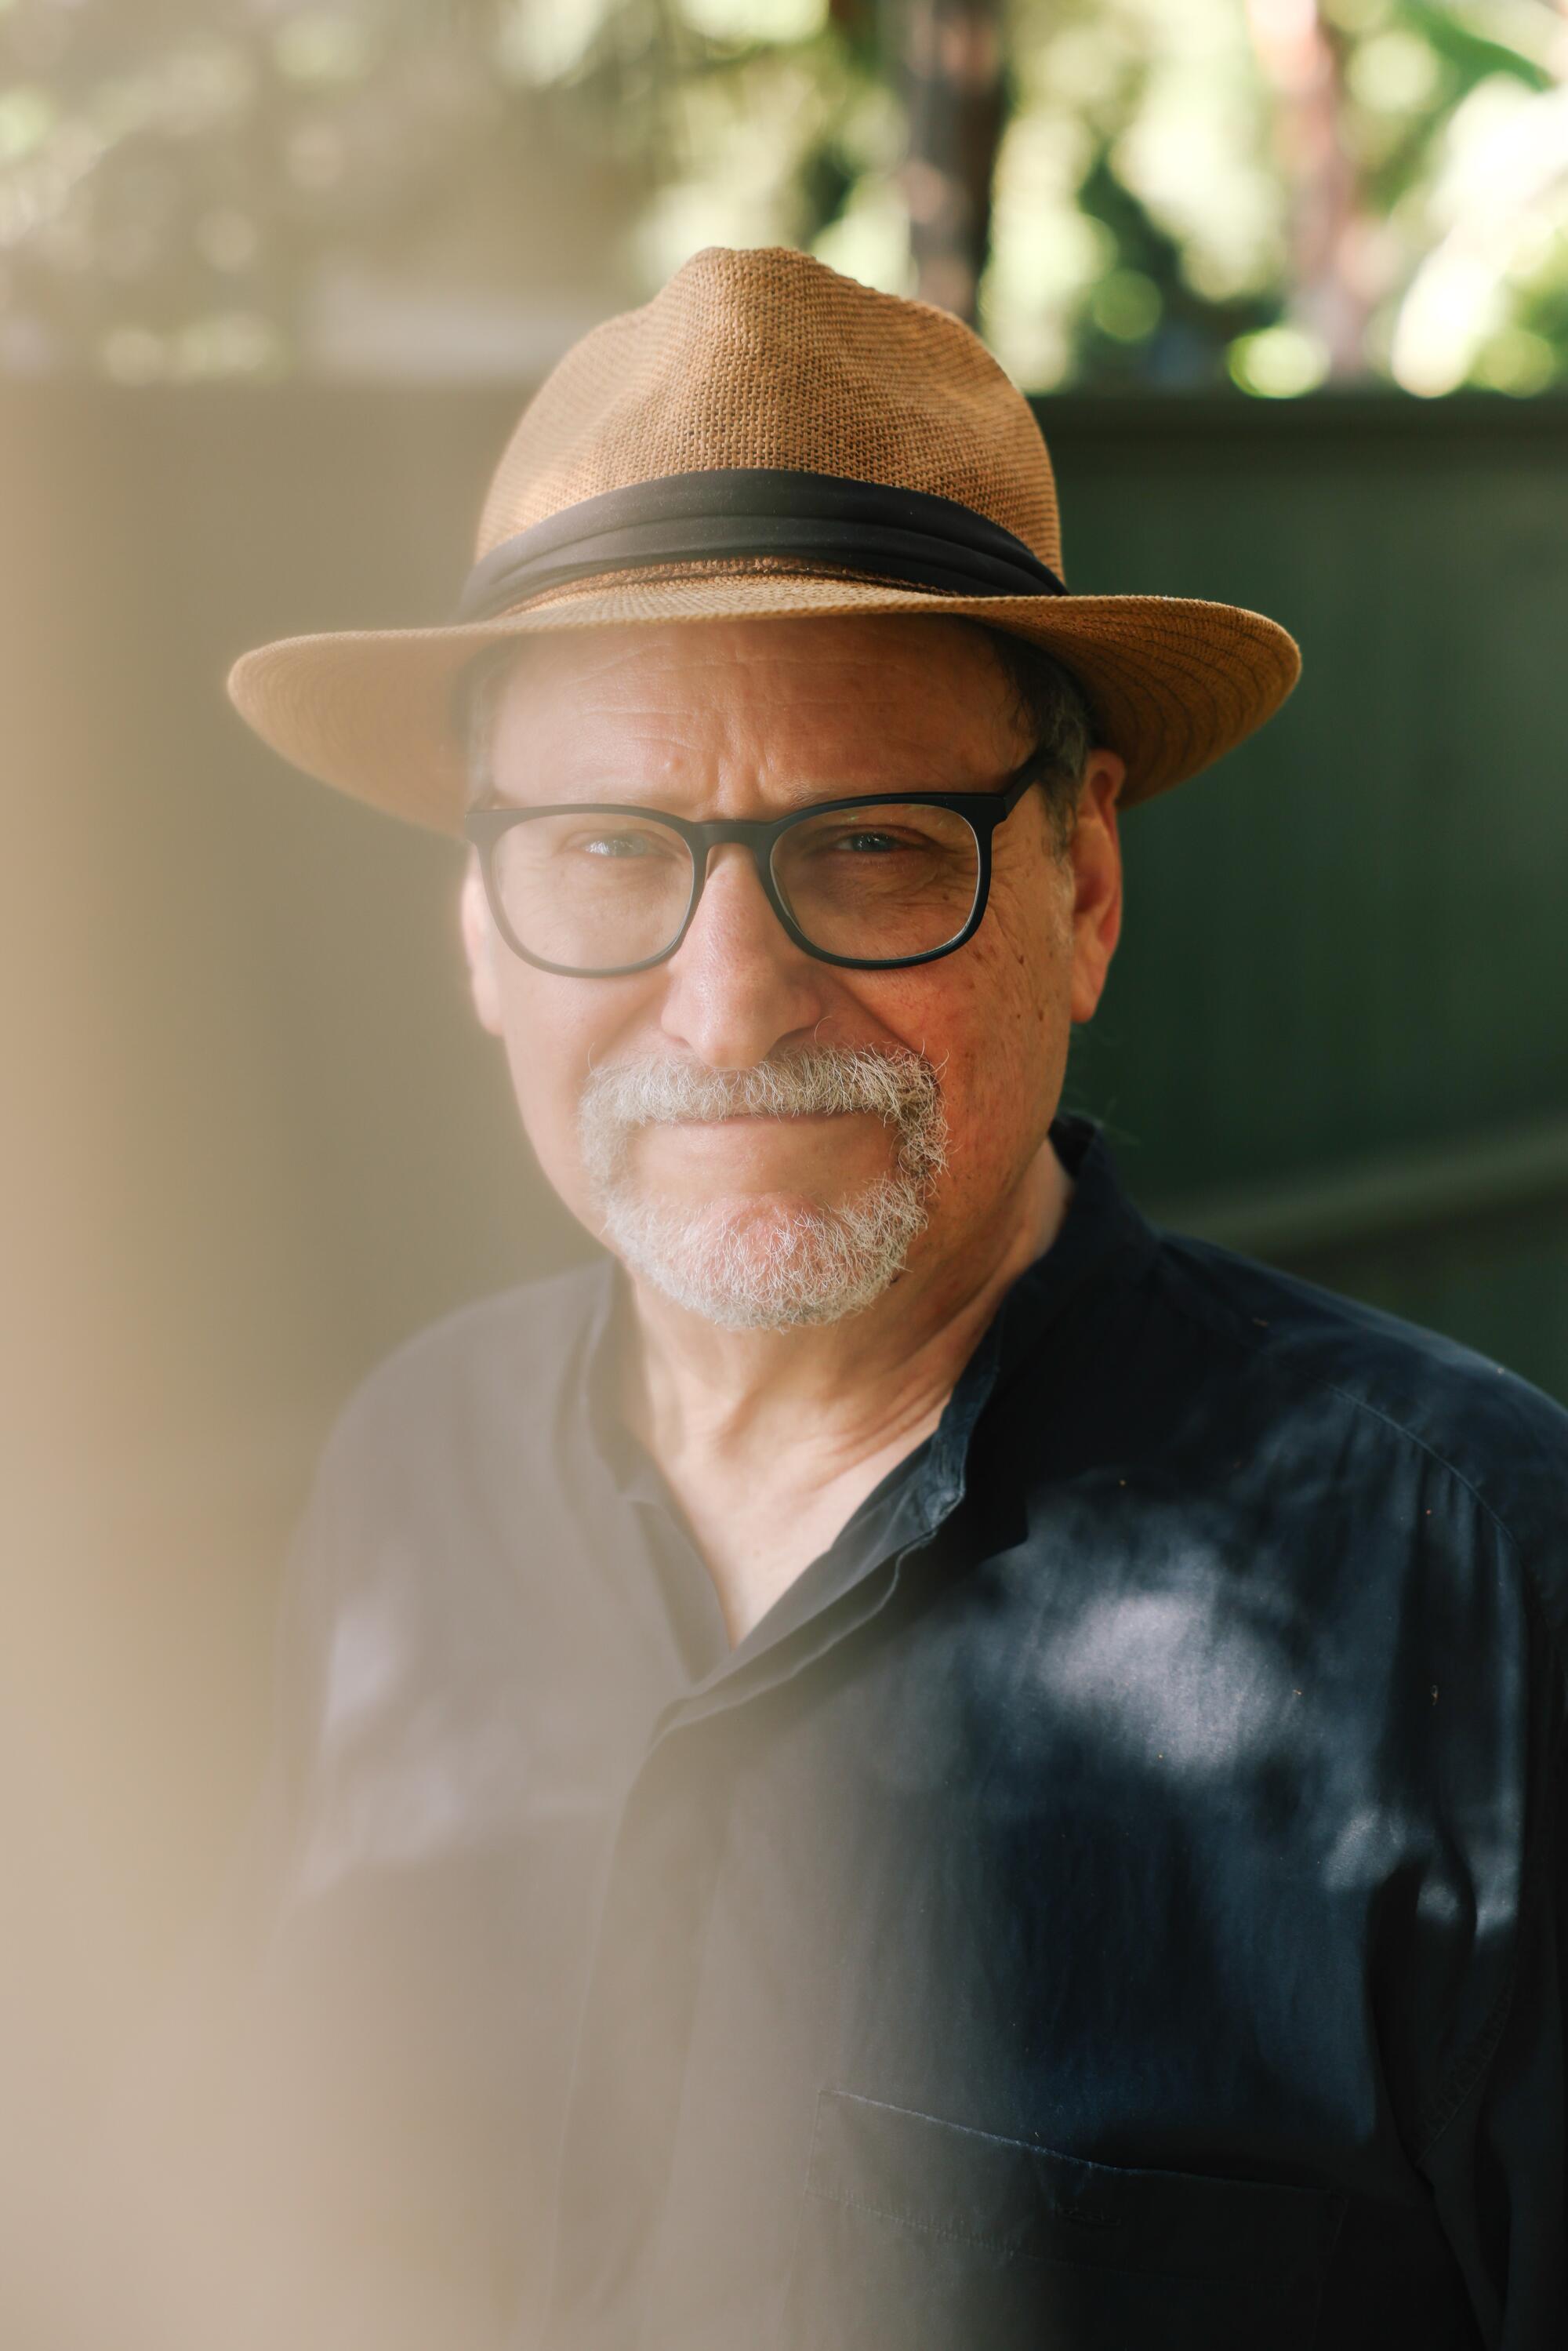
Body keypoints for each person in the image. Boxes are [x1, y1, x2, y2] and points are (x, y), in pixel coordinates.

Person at [154, 245, 1563, 2349]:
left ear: (1081, 887)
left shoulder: (1486, 1586)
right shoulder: (407, 1472)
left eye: (879, 846)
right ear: (478, 921)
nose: (730, 1007)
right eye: (611, 854)